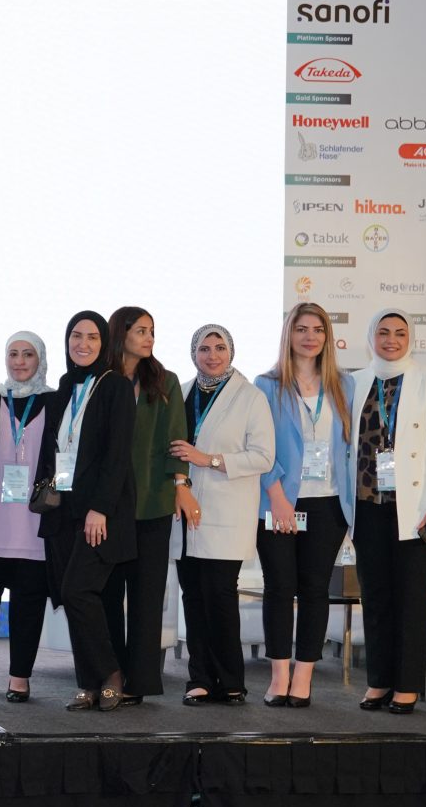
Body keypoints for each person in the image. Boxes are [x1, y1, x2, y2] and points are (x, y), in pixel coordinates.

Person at [347, 309, 426, 715]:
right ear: (370, 337)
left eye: (400, 333)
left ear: (411, 338)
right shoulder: (354, 381)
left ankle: (407, 685)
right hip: (367, 505)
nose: (391, 339)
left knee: (411, 599)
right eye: (383, 332)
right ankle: (379, 680)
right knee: (374, 597)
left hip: (417, 511)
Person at [167, 324, 275, 706]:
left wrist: (208, 459)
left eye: (219, 348)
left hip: (226, 512)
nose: (212, 355)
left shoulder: (250, 397)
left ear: (231, 351)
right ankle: (199, 679)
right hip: (184, 512)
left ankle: (231, 681)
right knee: (193, 597)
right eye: (204, 349)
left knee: (220, 596)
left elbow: (263, 456)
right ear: (193, 353)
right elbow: (169, 449)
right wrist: (181, 479)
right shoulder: (180, 394)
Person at [35, 310, 136, 711]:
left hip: (98, 512)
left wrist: (100, 509)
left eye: (92, 337)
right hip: (63, 509)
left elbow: (117, 455)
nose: (83, 344)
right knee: (72, 594)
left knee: (77, 590)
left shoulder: (115, 387)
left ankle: (111, 673)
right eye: (76, 336)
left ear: (104, 343)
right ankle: (88, 683)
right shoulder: (63, 387)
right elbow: (53, 447)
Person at [253, 303, 352, 708]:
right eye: (301, 329)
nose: (310, 337)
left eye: (318, 329)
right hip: (279, 501)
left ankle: (304, 677)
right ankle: (279, 676)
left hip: (328, 504)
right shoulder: (267, 385)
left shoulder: (344, 385)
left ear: (327, 337)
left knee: (315, 590)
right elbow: (259, 445)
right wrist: (277, 497)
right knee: (279, 588)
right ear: (288, 335)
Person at [106, 305, 192, 704]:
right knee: (107, 596)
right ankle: (109, 676)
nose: (149, 338)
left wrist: (181, 484)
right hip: (107, 507)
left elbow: (177, 438)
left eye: (151, 331)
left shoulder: (165, 380)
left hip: (154, 505)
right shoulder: (101, 379)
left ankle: (139, 683)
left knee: (146, 597)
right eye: (141, 330)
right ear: (120, 333)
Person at [0, 331, 54, 704]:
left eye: (28, 354)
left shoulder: (55, 401)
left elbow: (64, 453)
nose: (19, 361)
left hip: (34, 525)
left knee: (28, 607)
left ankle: (20, 676)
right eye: (13, 354)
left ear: (40, 359)